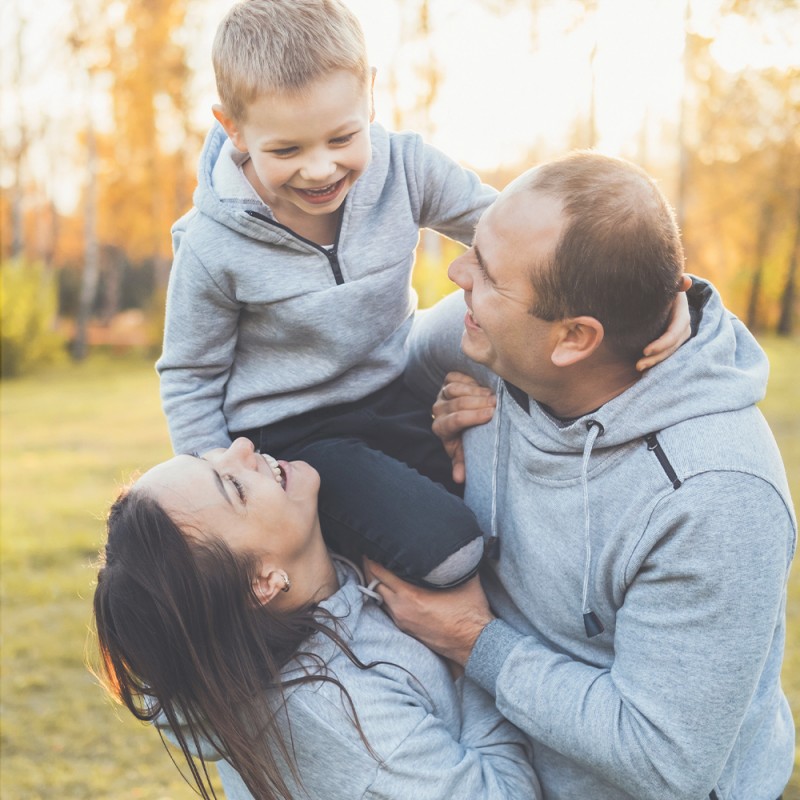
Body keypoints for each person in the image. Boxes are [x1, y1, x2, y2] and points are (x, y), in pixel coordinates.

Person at [155, 0, 686, 590]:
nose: (320, 169)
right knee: (451, 551)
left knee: (491, 517)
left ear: (371, 95)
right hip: (294, 443)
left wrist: (659, 293)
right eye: (287, 151)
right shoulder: (212, 243)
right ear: (232, 126)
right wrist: (226, 501)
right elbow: (190, 375)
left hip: (396, 396)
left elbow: (517, 236)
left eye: (341, 137)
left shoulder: (404, 168)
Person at [367, 151, 796, 800]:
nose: (457, 275)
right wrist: (433, 431)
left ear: (574, 339)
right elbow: (380, 379)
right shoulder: (480, 334)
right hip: (507, 770)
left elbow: (663, 761)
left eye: (486, 273)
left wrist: (470, 639)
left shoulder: (715, 496)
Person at [92, 437, 542, 800]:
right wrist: (469, 647)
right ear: (263, 583)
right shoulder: (347, 724)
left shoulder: (335, 559)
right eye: (235, 487)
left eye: (206, 456)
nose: (243, 446)